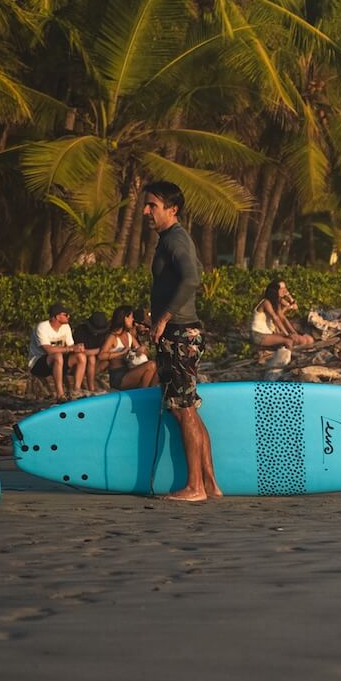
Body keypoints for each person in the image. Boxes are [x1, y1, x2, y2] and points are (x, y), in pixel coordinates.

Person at [144, 181, 220, 502]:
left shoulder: (175, 239)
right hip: (181, 333)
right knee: (187, 409)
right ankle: (210, 483)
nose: (146, 211)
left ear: (172, 210)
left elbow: (193, 278)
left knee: (184, 410)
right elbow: (194, 271)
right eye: (146, 205)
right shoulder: (173, 240)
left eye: (153, 206)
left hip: (179, 334)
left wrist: (163, 318)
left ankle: (195, 488)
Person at [28, 304, 93, 399]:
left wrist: (78, 348)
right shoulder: (42, 327)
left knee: (81, 356)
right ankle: (60, 394)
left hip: (60, 360)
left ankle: (76, 390)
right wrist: (70, 349)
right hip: (39, 362)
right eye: (65, 315)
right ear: (57, 317)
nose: (68, 317)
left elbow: (71, 345)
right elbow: (48, 350)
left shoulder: (66, 327)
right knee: (57, 356)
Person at [98, 306, 157, 391]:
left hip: (129, 372)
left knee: (156, 367)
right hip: (118, 376)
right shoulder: (112, 337)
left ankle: (147, 393)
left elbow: (142, 352)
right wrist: (121, 353)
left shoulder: (129, 336)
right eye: (130, 317)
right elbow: (101, 356)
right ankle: (142, 395)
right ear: (124, 318)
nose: (132, 320)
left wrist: (143, 350)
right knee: (151, 365)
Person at [250, 279, 314, 352]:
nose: (284, 290)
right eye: (281, 289)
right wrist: (287, 334)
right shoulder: (266, 302)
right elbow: (276, 318)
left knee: (309, 339)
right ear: (274, 291)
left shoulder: (277, 301)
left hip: (269, 333)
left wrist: (294, 333)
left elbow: (283, 318)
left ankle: (297, 349)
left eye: (285, 288)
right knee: (289, 341)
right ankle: (289, 358)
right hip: (259, 335)